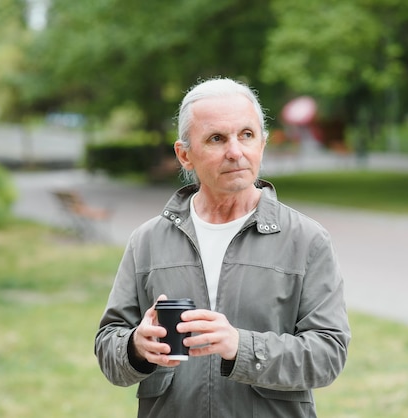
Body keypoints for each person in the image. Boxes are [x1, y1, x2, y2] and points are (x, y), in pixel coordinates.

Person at [95, 77, 351, 417]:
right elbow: (108, 344)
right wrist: (136, 347)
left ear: (262, 143)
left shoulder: (306, 239)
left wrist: (240, 347)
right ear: (185, 155)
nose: (235, 151)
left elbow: (328, 355)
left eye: (246, 135)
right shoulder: (148, 241)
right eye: (216, 138)